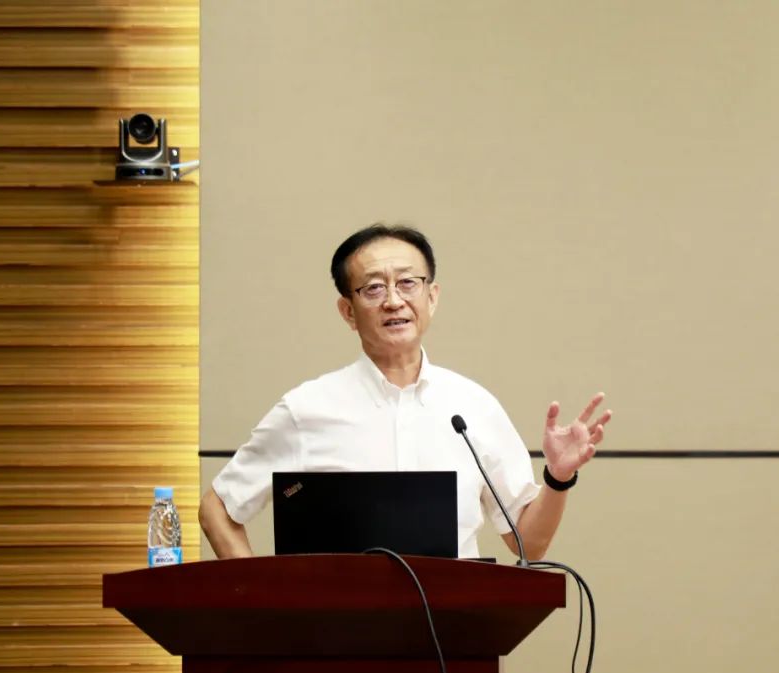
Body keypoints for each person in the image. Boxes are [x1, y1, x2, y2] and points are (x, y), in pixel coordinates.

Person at [199, 224, 612, 560]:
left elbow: (529, 544)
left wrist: (558, 478)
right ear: (347, 311)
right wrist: (264, 603)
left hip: (451, 630)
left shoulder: (472, 407)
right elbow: (217, 508)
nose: (394, 301)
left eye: (408, 283)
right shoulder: (306, 409)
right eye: (373, 288)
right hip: (336, 631)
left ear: (432, 297)